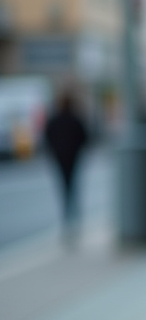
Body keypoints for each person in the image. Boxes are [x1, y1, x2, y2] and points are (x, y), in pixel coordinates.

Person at [43, 90, 90, 242]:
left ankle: (68, 219)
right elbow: (85, 138)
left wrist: (54, 152)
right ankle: (73, 219)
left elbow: (47, 138)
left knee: (64, 187)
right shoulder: (75, 119)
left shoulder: (54, 120)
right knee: (73, 187)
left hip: (60, 158)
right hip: (73, 158)